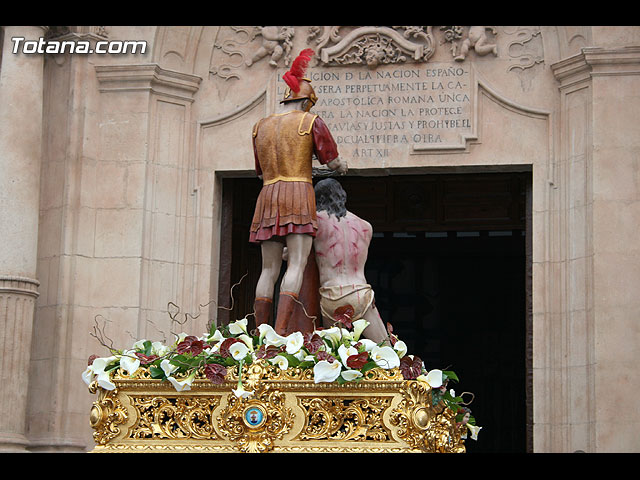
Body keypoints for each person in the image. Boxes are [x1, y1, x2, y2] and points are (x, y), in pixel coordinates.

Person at [250, 49, 347, 336]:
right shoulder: (309, 121)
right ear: (306, 102)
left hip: (268, 194)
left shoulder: (260, 127)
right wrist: (340, 167)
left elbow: (259, 171)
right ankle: (278, 334)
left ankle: (261, 333)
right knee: (296, 263)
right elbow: (332, 161)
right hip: (298, 192)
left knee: (267, 270)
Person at [313, 178, 387, 344]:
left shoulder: (315, 222)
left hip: (331, 293)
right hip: (361, 293)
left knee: (334, 355)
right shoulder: (366, 226)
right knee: (386, 349)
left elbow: (297, 255)